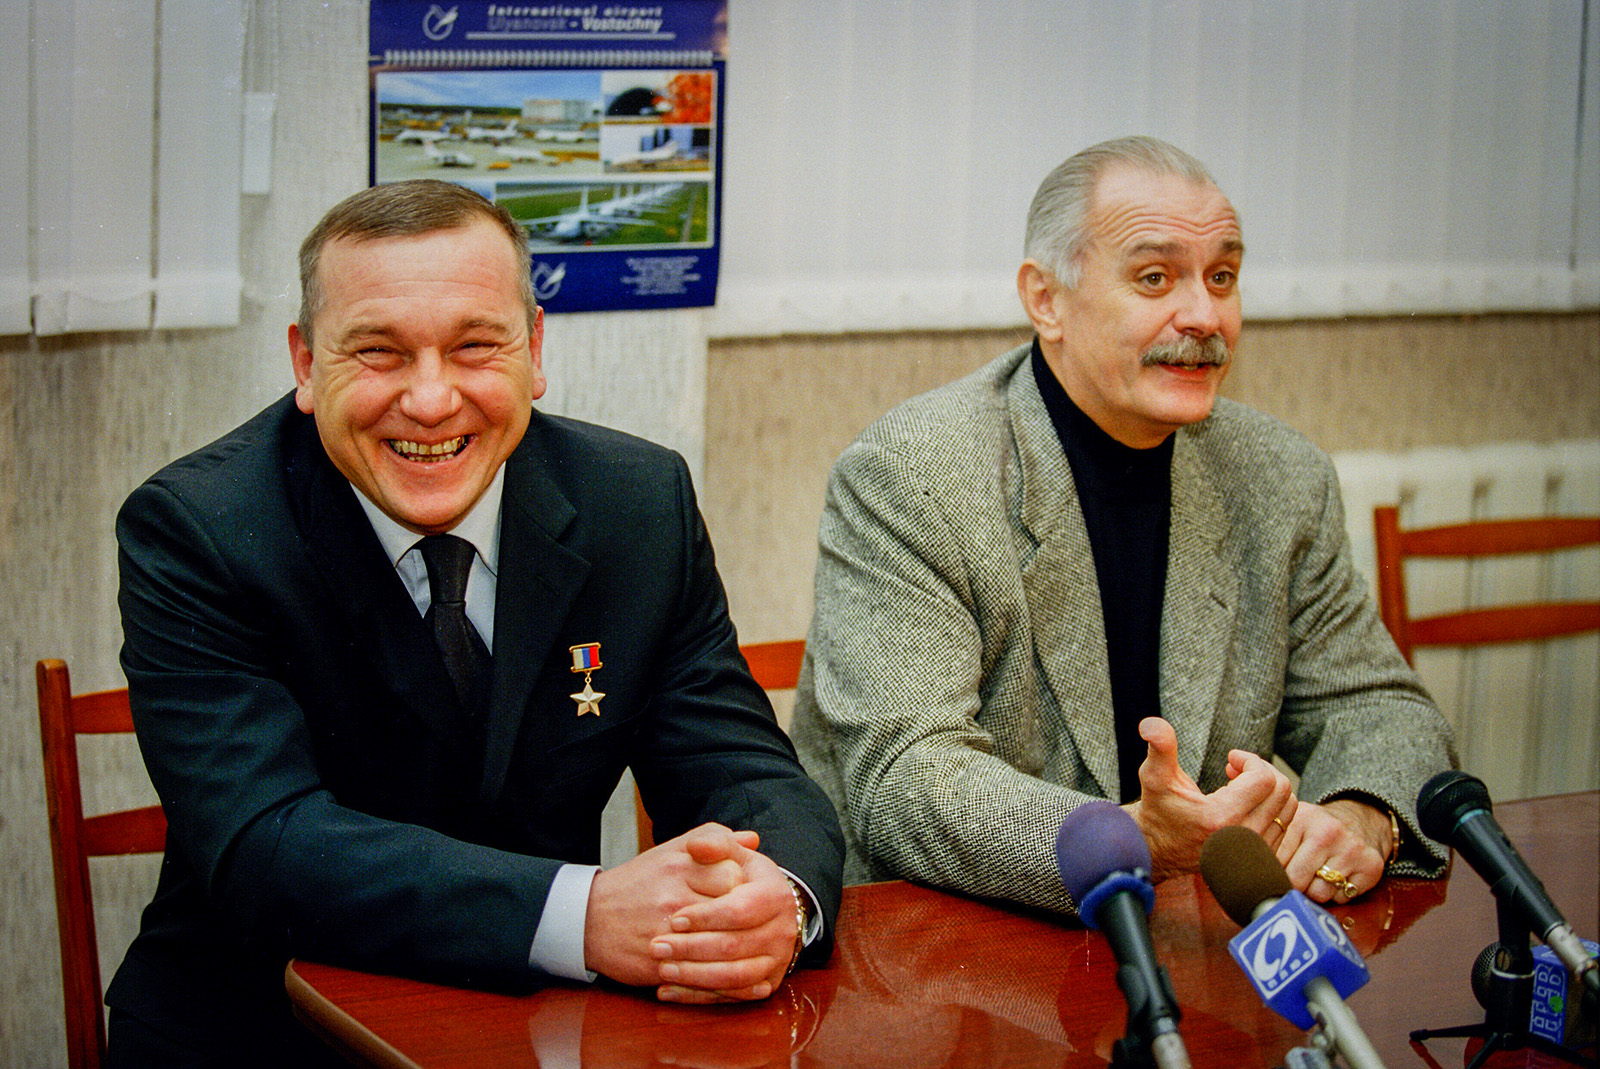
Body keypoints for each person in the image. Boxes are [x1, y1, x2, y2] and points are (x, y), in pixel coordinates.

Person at [108, 179, 844, 1065]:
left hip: (545, 1032)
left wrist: (774, 899)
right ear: (305, 363)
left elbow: (744, 768)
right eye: (377, 352)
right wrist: (584, 914)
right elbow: (266, 845)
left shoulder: (635, 502)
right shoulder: (201, 528)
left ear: (534, 349)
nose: (430, 400)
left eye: (475, 346)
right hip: (264, 1031)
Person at [789, 136, 1456, 919]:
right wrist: (1130, 839)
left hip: (1186, 942)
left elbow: (1378, 705)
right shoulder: (914, 476)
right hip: (957, 944)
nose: (1204, 316)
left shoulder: (1279, 476)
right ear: (1046, 299)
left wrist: (1360, 817)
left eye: (1222, 277)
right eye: (1154, 278)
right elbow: (908, 777)